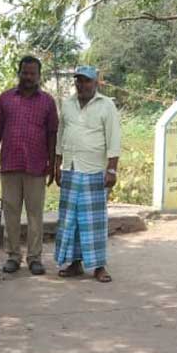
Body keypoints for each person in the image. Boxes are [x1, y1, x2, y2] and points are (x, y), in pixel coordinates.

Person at [0, 56, 59, 275]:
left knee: (35, 213)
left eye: (32, 73)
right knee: (11, 211)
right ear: (19, 73)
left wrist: (52, 164)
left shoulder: (47, 101)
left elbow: (52, 134)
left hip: (37, 166)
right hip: (10, 164)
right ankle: (12, 256)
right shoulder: (6, 98)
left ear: (39, 76)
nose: (28, 77)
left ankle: (35, 258)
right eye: (25, 73)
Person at [54, 65, 121, 283]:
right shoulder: (67, 104)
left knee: (94, 222)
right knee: (70, 220)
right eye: (79, 81)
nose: (82, 85)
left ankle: (99, 266)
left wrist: (112, 169)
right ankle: (75, 263)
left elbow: (113, 139)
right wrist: (57, 165)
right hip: (71, 168)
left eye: (86, 81)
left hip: (95, 171)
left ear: (96, 83)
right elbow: (60, 136)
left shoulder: (106, 105)